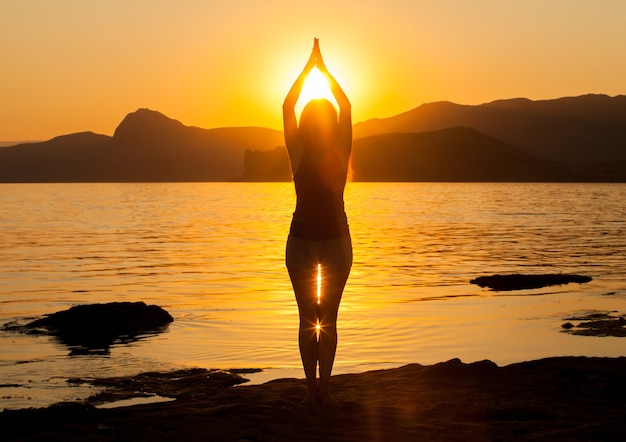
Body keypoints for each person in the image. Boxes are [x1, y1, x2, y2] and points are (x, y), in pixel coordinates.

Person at [283, 38, 352, 406]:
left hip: (337, 243)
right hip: (302, 244)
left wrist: (323, 70)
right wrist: (309, 69)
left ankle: (324, 385)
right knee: (308, 315)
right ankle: (311, 386)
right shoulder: (298, 153)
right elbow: (287, 105)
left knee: (329, 316)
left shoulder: (340, 153)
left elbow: (346, 105)